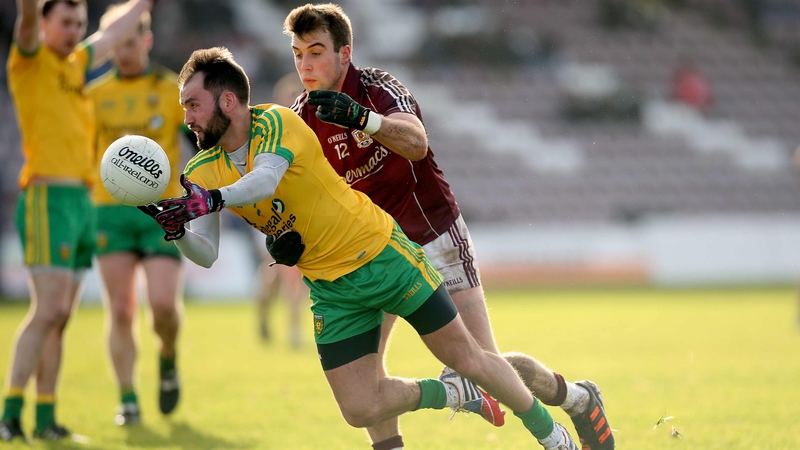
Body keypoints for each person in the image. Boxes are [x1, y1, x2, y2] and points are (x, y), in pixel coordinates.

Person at [139, 46, 581, 450]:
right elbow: (208, 254)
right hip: (331, 289)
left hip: (382, 255)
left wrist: (212, 199)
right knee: (360, 408)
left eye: (193, 105)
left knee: (468, 356)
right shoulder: (202, 168)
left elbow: (266, 179)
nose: (188, 118)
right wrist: (178, 231)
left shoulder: (275, 121)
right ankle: (452, 393)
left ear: (228, 101)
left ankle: (551, 435)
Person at [282, 4, 615, 450]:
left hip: (432, 234)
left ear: (345, 53)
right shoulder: (299, 117)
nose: (305, 64)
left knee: (481, 363)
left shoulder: (378, 88)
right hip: (369, 250)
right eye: (298, 53)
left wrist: (363, 119)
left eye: (316, 51)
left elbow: (417, 144)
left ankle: (575, 399)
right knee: (368, 380)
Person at [0, 0, 153, 442]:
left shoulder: (76, 63)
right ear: (45, 23)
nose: (73, 31)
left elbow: (112, 34)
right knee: (47, 309)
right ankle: (10, 415)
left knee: (61, 316)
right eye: (64, 22)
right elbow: (26, 18)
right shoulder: (30, 60)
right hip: (48, 197)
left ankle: (46, 419)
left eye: (79, 23)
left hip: (82, 200)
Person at [85, 4, 188, 426]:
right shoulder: (92, 96)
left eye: (130, 42)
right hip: (109, 212)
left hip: (161, 212)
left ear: (145, 40)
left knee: (163, 305)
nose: (123, 52)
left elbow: (202, 145)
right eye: (117, 44)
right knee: (122, 310)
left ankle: (167, 358)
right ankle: (127, 397)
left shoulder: (172, 89)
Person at [255, 72, 308, 346]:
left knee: (286, 270)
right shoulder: (271, 134)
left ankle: (286, 325)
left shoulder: (307, 131)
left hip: (300, 208)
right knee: (281, 270)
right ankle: (281, 323)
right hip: (274, 211)